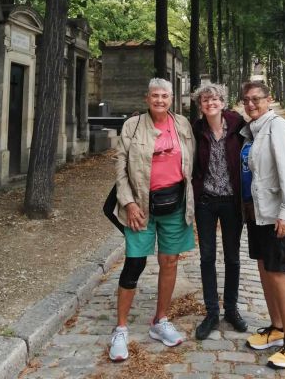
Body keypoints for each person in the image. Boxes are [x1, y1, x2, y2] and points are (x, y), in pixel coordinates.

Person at [109, 78, 195, 361]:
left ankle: (160, 320)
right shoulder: (132, 126)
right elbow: (120, 169)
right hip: (141, 207)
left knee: (169, 261)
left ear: (172, 99)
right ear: (147, 98)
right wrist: (129, 203)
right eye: (155, 96)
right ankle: (121, 328)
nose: (160, 100)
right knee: (134, 262)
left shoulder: (182, 124)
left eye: (165, 96)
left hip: (175, 204)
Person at [239, 81, 285, 370]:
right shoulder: (252, 131)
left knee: (278, 273)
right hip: (258, 213)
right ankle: (277, 326)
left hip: (278, 213)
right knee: (264, 268)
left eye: (256, 99)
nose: (251, 104)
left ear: (269, 100)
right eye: (246, 100)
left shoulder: (277, 127)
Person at [191, 84, 248, 340]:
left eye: (214, 99)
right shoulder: (196, 129)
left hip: (231, 202)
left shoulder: (238, 126)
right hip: (206, 201)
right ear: (200, 104)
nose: (210, 103)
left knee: (233, 257)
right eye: (205, 100)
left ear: (222, 102)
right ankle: (212, 312)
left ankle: (231, 309)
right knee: (207, 257)